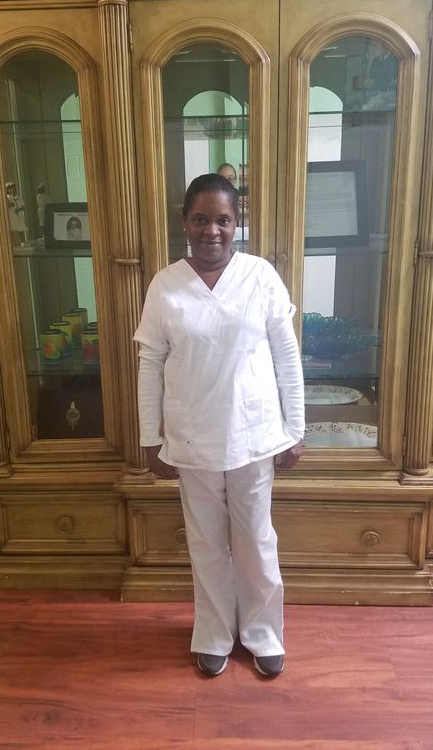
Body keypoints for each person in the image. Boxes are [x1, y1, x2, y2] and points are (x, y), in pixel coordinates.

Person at [134, 173, 304, 678]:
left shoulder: (260, 276)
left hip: (253, 434)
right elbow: (150, 363)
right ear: (185, 222)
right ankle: (213, 633)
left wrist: (296, 427)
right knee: (205, 541)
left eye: (223, 220)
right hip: (192, 437)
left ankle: (263, 632)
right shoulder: (165, 285)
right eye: (201, 219)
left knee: (255, 539)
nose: (212, 231)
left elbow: (286, 355)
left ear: (237, 222)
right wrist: (149, 437)